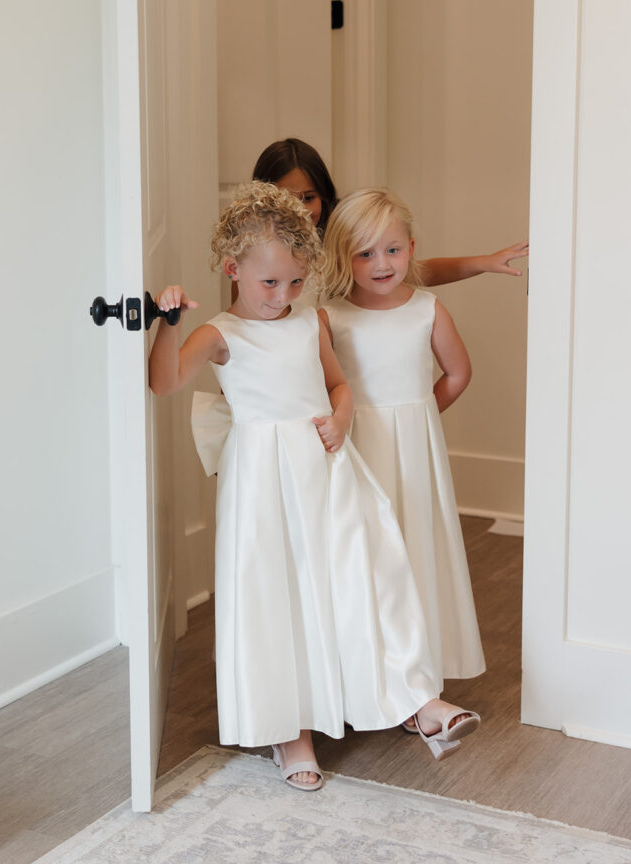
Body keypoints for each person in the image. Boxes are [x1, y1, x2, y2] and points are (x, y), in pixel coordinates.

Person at [148, 181, 480, 791]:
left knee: (370, 574)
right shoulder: (220, 334)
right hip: (263, 481)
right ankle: (289, 730)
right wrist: (167, 323)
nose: (284, 296)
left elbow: (338, 385)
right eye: (269, 283)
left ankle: (412, 695)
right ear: (233, 270)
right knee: (278, 594)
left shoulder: (308, 324)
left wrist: (344, 415)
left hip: (327, 468)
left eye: (296, 282)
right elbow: (165, 381)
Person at [319, 188, 487, 735]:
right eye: (364, 253)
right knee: (364, 559)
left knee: (415, 550)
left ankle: (417, 683)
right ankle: (364, 676)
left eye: (391, 250)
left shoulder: (427, 309)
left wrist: (418, 415)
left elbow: (457, 373)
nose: (381, 264)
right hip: (357, 451)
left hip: (414, 452)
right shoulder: (332, 317)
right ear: (342, 258)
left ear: (411, 248)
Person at [252, 136, 529, 279]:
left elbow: (416, 272)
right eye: (286, 199)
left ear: (324, 195)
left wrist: (483, 262)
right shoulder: (251, 253)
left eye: (308, 198)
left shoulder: (341, 243)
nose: (299, 211)